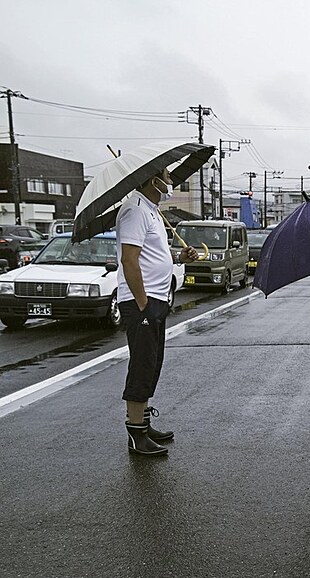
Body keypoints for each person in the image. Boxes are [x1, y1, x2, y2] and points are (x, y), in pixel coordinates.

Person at [117, 168, 199, 456]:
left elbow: (155, 255)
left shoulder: (151, 210)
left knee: (152, 363)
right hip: (142, 301)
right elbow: (130, 260)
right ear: (153, 180)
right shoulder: (135, 209)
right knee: (142, 364)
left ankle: (144, 423)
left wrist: (179, 256)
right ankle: (135, 434)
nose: (171, 181)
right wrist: (142, 304)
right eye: (166, 175)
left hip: (157, 299)